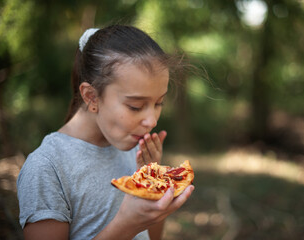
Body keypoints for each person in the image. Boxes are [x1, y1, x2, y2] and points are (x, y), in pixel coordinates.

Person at [16, 24, 195, 240]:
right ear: (91, 97)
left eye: (159, 102)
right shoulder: (47, 167)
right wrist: (125, 226)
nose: (152, 120)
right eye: (136, 106)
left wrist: (154, 192)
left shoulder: (133, 149)